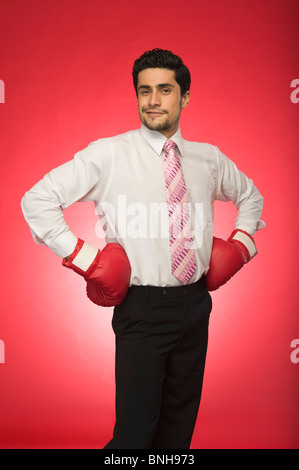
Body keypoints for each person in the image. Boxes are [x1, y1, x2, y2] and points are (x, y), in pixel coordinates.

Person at [21, 48, 265, 449]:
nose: (153, 100)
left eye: (165, 90)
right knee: (134, 436)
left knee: (178, 432)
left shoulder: (208, 159)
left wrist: (241, 245)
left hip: (196, 303)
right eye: (144, 90)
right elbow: (37, 199)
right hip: (142, 309)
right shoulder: (110, 154)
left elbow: (250, 196)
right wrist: (86, 259)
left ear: (184, 97)